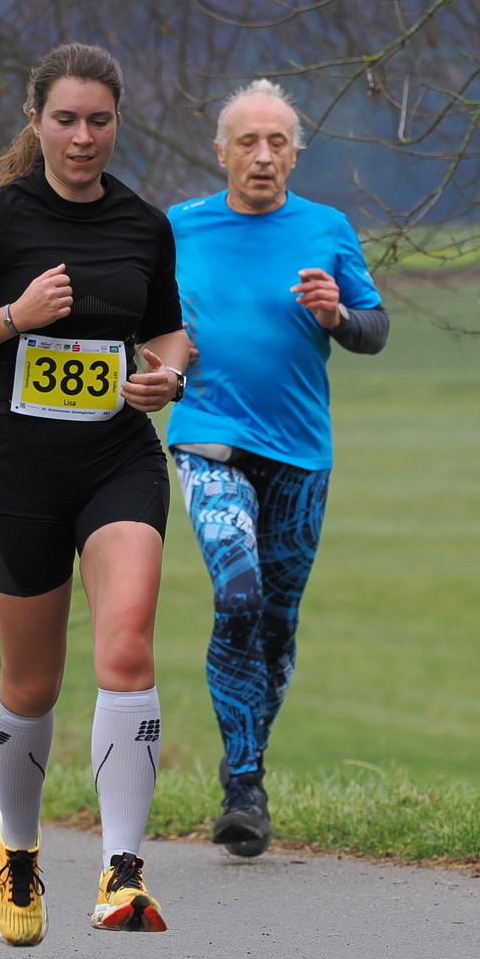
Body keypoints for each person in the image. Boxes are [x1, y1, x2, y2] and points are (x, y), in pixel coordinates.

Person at [0, 43, 191, 947]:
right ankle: (18, 850)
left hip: (118, 460)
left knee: (128, 646)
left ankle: (122, 870)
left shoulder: (144, 225)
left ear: (118, 123)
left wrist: (167, 377)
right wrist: (12, 318)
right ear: (36, 121)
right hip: (18, 475)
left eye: (99, 121)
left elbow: (169, 332)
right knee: (32, 684)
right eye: (65, 120)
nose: (82, 137)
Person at [165, 80, 387, 856]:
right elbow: (137, 317)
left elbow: (374, 329)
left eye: (278, 143)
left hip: (300, 451)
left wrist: (336, 314)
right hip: (209, 438)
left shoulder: (327, 229)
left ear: (295, 154)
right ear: (220, 151)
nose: (263, 156)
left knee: (276, 623)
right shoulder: (178, 228)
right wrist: (158, 352)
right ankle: (243, 784)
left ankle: (247, 770)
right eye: (248, 142)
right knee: (238, 595)